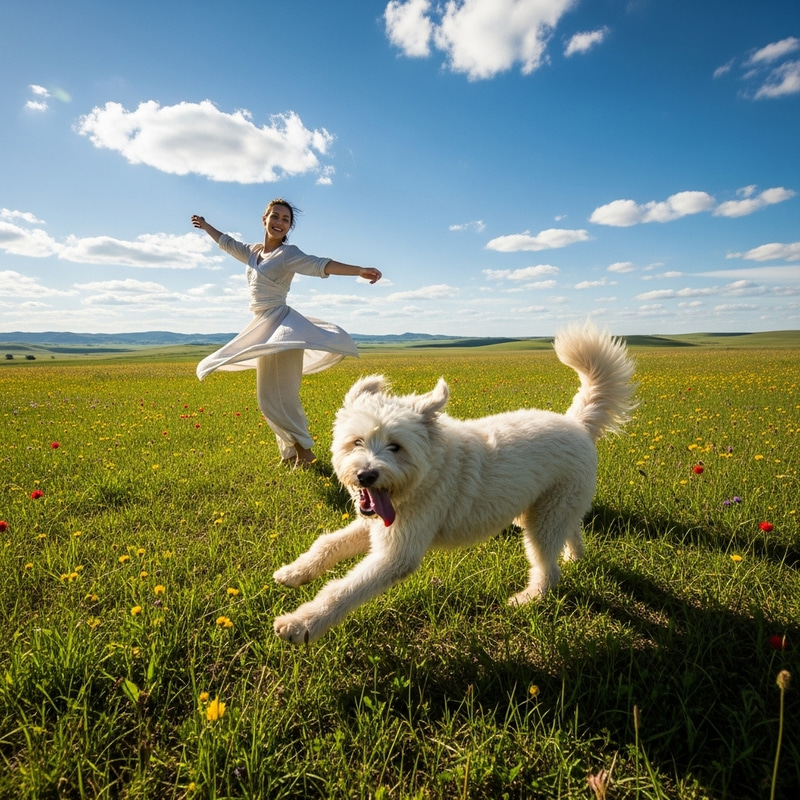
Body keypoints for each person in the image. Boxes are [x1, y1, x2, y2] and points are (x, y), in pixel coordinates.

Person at [191, 199, 382, 467]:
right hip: (263, 328)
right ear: (264, 219)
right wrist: (206, 226)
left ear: (289, 226)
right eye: (275, 216)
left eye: (285, 219)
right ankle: (291, 452)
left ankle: (305, 451)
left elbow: (320, 265)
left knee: (280, 396)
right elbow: (227, 242)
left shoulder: (287, 254)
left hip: (282, 328)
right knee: (267, 397)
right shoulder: (253, 252)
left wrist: (358, 270)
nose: (280, 222)